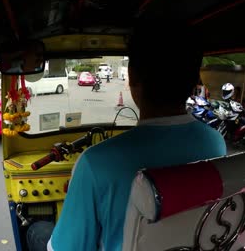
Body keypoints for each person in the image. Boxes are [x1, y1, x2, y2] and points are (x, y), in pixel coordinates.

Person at [26, 24, 227, 251]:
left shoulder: (95, 163)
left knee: (37, 231)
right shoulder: (215, 143)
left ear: (132, 76)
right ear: (193, 81)